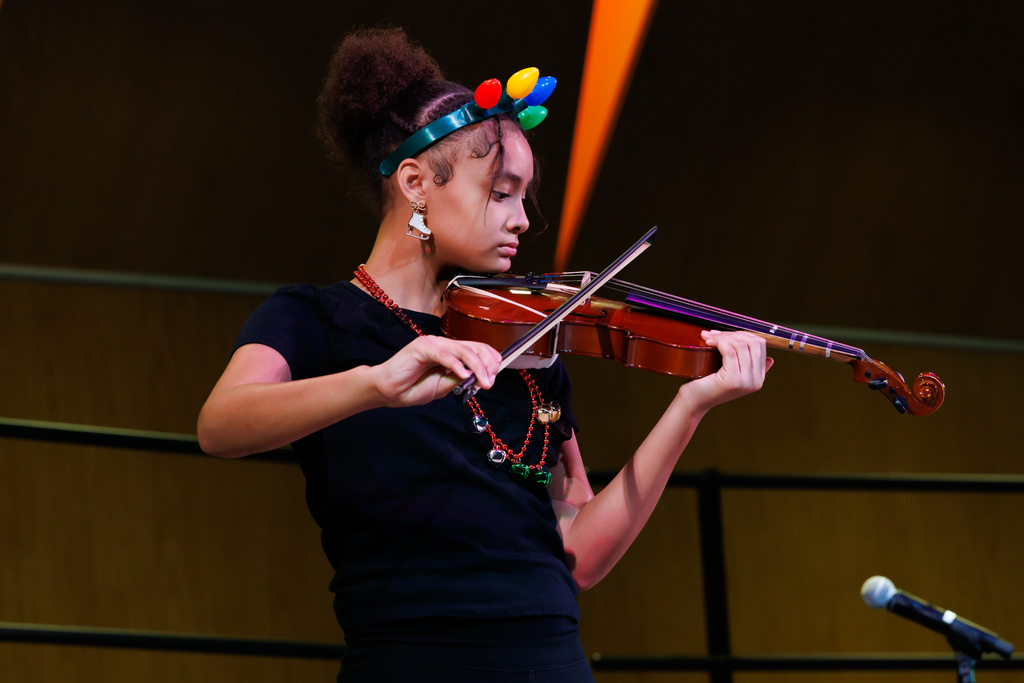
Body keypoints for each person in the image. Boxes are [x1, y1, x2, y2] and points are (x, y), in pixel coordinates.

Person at [197, 27, 771, 682]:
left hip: (550, 661)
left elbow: (577, 556)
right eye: (501, 192)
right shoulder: (314, 319)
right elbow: (220, 424)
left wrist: (689, 407)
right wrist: (375, 384)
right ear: (415, 182)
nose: (523, 218)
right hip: (410, 660)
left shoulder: (528, 345)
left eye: (525, 196)